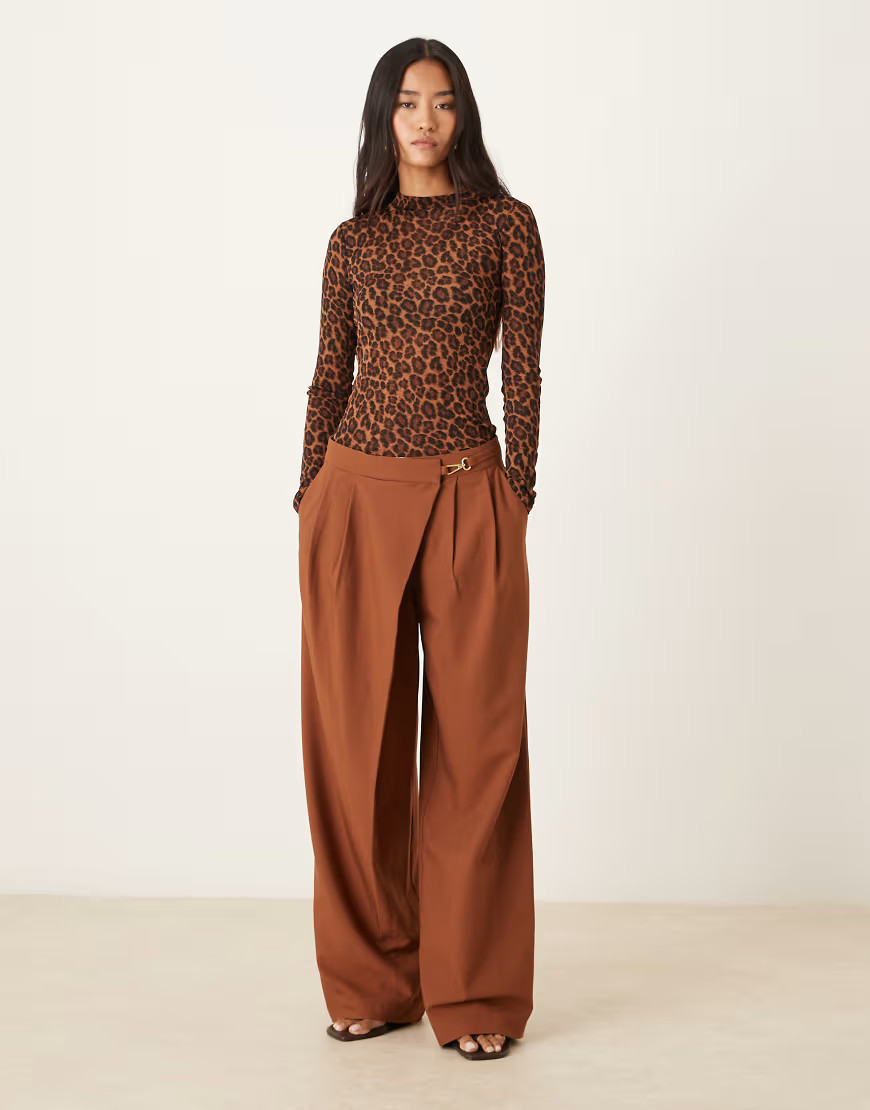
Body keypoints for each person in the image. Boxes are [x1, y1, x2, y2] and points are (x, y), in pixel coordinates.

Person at [294, 37, 545, 1062]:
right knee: (355, 752)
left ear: (464, 114)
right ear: (382, 117)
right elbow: (329, 373)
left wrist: (517, 490)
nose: (426, 121)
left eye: (443, 102)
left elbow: (524, 370)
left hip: (467, 492)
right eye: (407, 103)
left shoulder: (507, 225)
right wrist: (308, 493)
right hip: (353, 498)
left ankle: (475, 992)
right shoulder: (353, 241)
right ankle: (371, 981)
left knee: (479, 752)